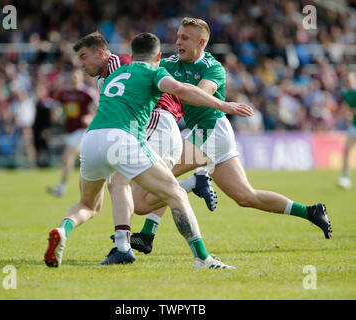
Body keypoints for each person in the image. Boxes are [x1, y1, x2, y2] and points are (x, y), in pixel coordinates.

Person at [44, 32, 253, 269]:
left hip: (102, 135)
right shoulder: (146, 71)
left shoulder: (116, 70)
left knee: (96, 200)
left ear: (128, 56)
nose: (81, 64)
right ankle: (201, 256)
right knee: (166, 194)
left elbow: (162, 93)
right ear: (158, 57)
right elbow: (180, 89)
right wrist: (223, 104)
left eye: (84, 57)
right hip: (127, 134)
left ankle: (79, 233)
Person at [127, 18, 332, 254]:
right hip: (206, 132)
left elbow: (200, 94)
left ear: (201, 42)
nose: (178, 41)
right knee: (245, 196)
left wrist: (175, 89)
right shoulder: (172, 63)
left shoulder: (213, 68)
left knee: (162, 177)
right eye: (178, 36)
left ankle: (149, 233)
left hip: (210, 130)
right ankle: (311, 211)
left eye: (185, 38)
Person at [47, 69, 97, 197]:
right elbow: (57, 105)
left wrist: (90, 117)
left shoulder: (86, 92)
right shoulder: (64, 92)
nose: (74, 78)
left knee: (67, 156)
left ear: (81, 78)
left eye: (76, 76)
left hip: (82, 130)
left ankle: (61, 188)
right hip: (69, 130)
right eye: (72, 76)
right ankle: (93, 186)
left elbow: (98, 107)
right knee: (84, 161)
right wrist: (56, 113)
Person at [337, 70, 356, 190]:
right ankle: (346, 177)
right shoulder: (346, 94)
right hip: (354, 126)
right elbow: (346, 108)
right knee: (346, 149)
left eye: (351, 79)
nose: (349, 81)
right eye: (347, 80)